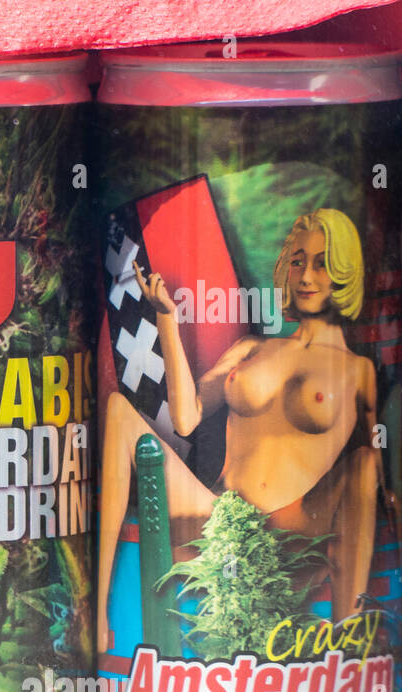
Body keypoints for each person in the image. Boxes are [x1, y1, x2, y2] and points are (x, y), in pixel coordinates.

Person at [97, 208, 379, 655]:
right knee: (117, 411)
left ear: (344, 273)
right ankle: (95, 619)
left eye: (323, 263)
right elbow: (187, 419)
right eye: (298, 259)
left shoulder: (359, 371)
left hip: (291, 543)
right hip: (217, 521)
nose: (306, 274)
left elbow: (374, 475)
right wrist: (166, 317)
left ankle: (347, 644)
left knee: (365, 464)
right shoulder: (252, 348)